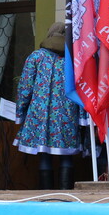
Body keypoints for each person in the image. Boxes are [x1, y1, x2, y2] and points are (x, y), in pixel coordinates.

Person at [14, 21, 81, 190]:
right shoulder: (74, 58)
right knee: (67, 156)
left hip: (40, 113)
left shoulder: (36, 57)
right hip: (68, 113)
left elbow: (25, 87)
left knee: (44, 156)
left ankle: (47, 196)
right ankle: (66, 195)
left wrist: (20, 112)